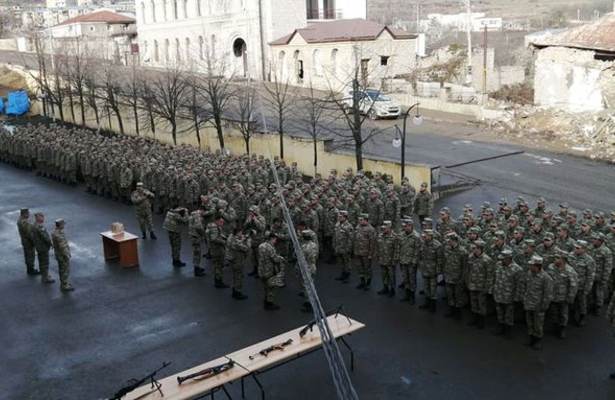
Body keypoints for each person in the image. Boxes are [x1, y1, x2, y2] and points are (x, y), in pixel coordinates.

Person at [546, 249, 578, 339]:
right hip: (553, 295)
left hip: (564, 297)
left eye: (557, 258)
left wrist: (570, 297)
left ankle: (562, 328)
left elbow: (573, 285)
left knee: (563, 314)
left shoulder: (570, 271)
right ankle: (555, 326)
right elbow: (548, 280)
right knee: (554, 312)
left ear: (563, 260)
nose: (555, 259)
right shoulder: (551, 267)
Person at [523, 255, 554, 350]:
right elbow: (525, 286)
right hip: (529, 303)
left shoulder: (546, 278)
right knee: (529, 322)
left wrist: (544, 306)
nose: (530, 267)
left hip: (538, 305)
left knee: (538, 324)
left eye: (532, 265)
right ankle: (531, 338)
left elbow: (548, 294)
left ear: (537, 266)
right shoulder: (529, 273)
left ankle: (538, 340)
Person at [493, 249, 522, 336]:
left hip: (509, 296)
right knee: (499, 312)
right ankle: (500, 327)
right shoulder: (498, 265)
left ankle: (508, 331)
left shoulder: (517, 269)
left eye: (503, 259)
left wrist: (517, 297)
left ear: (509, 258)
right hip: (498, 293)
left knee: (508, 315)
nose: (501, 260)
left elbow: (519, 285)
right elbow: (495, 278)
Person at [442, 232, 468, 319]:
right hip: (448, 276)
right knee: (450, 295)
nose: (448, 242)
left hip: (458, 278)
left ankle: (458, 312)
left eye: (449, 240)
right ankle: (451, 310)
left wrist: (462, 279)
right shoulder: (447, 249)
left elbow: (465, 267)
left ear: (454, 240)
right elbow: (444, 262)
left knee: (458, 296)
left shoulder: (462, 251)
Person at [466, 240, 491, 328]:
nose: (473, 250)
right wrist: (468, 282)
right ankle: (474, 319)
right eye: (473, 248)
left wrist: (487, 287)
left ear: (480, 249)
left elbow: (489, 275)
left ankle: (481, 322)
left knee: (481, 304)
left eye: (475, 248)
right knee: (473, 303)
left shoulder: (487, 260)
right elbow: (468, 271)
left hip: (481, 286)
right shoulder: (470, 257)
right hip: (472, 284)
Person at [417, 229, 443, 312]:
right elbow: (420, 255)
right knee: (426, 287)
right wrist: (420, 266)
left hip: (433, 270)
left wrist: (438, 271)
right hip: (425, 269)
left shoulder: (437, 245)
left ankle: (433, 305)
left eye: (426, 235)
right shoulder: (423, 243)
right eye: (424, 235)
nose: (425, 237)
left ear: (431, 236)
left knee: (433, 289)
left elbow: (440, 259)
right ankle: (427, 302)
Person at [258, 233, 285, 310]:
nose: (275, 241)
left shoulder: (261, 245)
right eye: (275, 240)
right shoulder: (270, 248)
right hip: (269, 270)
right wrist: (281, 258)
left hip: (261, 269)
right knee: (271, 287)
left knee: (265, 287)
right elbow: (275, 259)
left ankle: (266, 301)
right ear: (272, 239)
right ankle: (269, 303)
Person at [398, 218, 420, 304]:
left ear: (411, 226)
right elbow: (399, 247)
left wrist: (414, 262)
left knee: (412, 280)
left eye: (407, 226)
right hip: (403, 260)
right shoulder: (401, 235)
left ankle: (412, 296)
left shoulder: (416, 237)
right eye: (404, 226)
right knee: (405, 278)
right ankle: (407, 295)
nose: (405, 228)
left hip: (411, 262)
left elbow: (417, 251)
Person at [225, 228, 250, 299]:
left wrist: (242, 238)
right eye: (241, 233)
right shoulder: (236, 242)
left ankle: (234, 290)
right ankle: (238, 292)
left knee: (235, 276)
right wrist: (248, 240)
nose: (242, 234)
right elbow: (246, 248)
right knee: (239, 276)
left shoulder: (231, 237)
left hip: (233, 259)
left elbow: (237, 241)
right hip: (238, 260)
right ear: (237, 233)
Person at [353, 213, 376, 290]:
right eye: (359, 220)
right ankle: (362, 281)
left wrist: (370, 254)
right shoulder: (358, 227)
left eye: (361, 220)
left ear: (366, 220)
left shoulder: (371, 229)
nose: (359, 221)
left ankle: (368, 283)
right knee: (359, 267)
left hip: (366, 253)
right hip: (358, 251)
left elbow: (372, 243)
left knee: (367, 268)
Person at [376, 221, 399, 297]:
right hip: (382, 259)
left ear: (389, 228)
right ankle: (385, 288)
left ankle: (392, 290)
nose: (383, 229)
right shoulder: (380, 235)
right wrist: (378, 257)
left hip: (390, 260)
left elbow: (396, 250)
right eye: (383, 228)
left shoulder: (394, 237)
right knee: (384, 275)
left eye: (385, 228)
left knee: (391, 276)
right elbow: (378, 247)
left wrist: (394, 260)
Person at [31, 212, 54, 284]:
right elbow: (45, 237)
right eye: (42, 217)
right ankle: (45, 278)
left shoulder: (34, 225)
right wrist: (51, 243)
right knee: (45, 262)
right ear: (38, 218)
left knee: (41, 261)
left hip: (38, 246)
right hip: (43, 247)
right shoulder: (40, 227)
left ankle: (44, 274)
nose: (43, 218)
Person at [206, 215, 229, 288]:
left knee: (217, 266)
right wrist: (223, 242)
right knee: (218, 266)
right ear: (217, 221)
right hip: (217, 249)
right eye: (221, 222)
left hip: (214, 249)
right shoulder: (214, 228)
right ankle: (219, 282)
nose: (222, 223)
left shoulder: (212, 226)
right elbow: (214, 238)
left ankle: (218, 280)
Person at [51, 219, 73, 292]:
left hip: (59, 254)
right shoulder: (58, 234)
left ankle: (64, 283)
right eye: (63, 224)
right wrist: (67, 254)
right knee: (64, 269)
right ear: (60, 225)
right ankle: (64, 285)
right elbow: (62, 246)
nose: (64, 225)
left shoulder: (56, 232)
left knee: (62, 269)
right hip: (62, 255)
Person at [300, 230, 319, 312]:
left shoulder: (304, 247)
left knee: (307, 286)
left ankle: (310, 304)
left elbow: (301, 258)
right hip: (313, 266)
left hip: (306, 267)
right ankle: (311, 301)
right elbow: (316, 255)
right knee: (311, 284)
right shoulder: (314, 245)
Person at [333, 211, 354, 283]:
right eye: (338, 216)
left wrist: (348, 248)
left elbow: (351, 238)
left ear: (345, 217)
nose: (339, 218)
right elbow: (335, 236)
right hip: (338, 247)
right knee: (341, 262)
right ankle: (342, 274)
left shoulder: (349, 226)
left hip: (345, 247)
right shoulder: (337, 224)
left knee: (347, 262)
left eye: (341, 217)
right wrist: (334, 245)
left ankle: (347, 276)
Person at [17, 208, 40, 275]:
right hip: (28, 242)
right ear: (24, 214)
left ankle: (30, 269)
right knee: (30, 256)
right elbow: (29, 233)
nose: (29, 214)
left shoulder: (20, 220)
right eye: (27, 213)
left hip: (25, 241)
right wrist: (35, 242)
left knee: (28, 255)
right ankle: (30, 270)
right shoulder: (24, 222)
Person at [188, 209, 206, 277]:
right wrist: (203, 234)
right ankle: (196, 270)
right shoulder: (197, 216)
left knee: (197, 252)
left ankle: (197, 267)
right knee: (197, 253)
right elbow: (198, 227)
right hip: (195, 236)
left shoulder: (193, 214)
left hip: (193, 235)